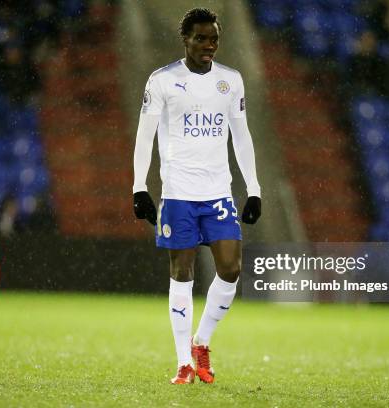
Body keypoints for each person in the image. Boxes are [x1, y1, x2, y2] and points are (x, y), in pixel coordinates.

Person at [132, 8, 261, 385]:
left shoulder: (231, 82)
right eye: (201, 38)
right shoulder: (163, 81)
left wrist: (254, 188)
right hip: (178, 195)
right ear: (185, 39)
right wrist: (139, 186)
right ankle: (183, 362)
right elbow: (145, 137)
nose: (209, 45)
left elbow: (242, 135)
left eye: (214, 39)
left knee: (231, 270)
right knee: (181, 273)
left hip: (218, 193)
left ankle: (201, 341)